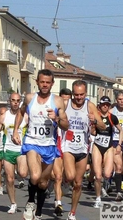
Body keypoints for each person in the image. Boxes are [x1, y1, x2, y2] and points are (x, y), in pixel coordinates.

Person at [12, 69, 69, 220]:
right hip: (32, 143)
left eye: (47, 82)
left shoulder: (57, 101)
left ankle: (38, 212)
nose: (44, 85)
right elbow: (20, 113)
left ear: (52, 84)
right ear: (37, 82)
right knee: (35, 176)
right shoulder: (30, 98)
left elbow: (66, 125)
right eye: (42, 82)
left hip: (49, 146)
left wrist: (56, 118)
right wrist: (16, 131)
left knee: (43, 183)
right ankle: (31, 202)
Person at [63, 81, 104, 220]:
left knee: (78, 183)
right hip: (67, 146)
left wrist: (95, 121)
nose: (79, 97)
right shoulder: (66, 103)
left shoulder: (89, 105)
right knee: (70, 176)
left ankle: (72, 212)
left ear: (85, 94)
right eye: (76, 94)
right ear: (72, 93)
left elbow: (103, 126)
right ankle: (63, 180)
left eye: (81, 94)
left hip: (82, 148)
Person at [0, 93, 29, 214]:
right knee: (10, 179)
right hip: (8, 150)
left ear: (20, 102)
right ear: (9, 101)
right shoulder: (4, 116)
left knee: (23, 173)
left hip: (21, 150)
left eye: (18, 101)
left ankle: (21, 176)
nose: (15, 103)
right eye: (13, 100)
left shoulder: (25, 116)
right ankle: (13, 203)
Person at [92, 96, 123, 208]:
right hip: (97, 146)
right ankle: (98, 198)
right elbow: (92, 131)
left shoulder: (112, 117)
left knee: (107, 174)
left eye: (107, 104)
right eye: (103, 104)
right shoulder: (96, 116)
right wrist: (92, 128)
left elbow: (121, 130)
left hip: (109, 146)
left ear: (109, 106)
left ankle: (106, 183)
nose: (105, 106)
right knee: (98, 175)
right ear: (99, 105)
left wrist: (119, 144)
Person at [51, 87, 73, 217]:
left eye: (67, 100)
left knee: (68, 176)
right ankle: (58, 202)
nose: (65, 102)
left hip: (70, 146)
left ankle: (64, 185)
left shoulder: (73, 112)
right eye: (63, 99)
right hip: (57, 144)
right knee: (57, 176)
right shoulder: (55, 110)